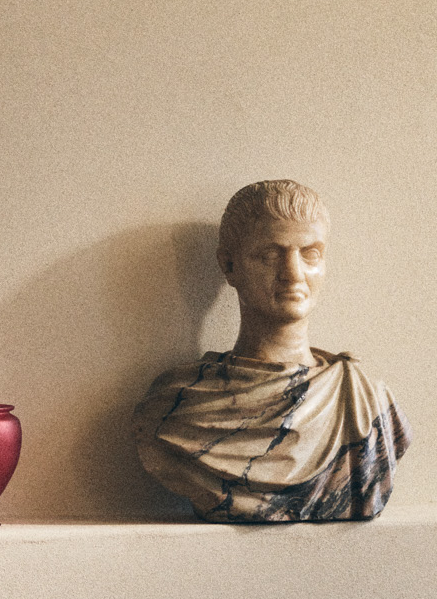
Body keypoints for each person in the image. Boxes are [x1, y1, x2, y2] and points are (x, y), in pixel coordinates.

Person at [132, 179, 409, 523]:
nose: (293, 274)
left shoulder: (365, 401)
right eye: (269, 255)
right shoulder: (177, 407)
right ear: (229, 266)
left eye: (311, 254)